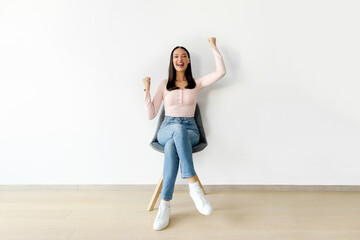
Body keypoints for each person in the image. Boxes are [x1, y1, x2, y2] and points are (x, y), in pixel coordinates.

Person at [142, 37, 226, 230]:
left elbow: (221, 72)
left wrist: (213, 46)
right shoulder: (164, 84)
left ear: (188, 61)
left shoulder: (195, 83)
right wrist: (146, 88)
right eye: (176, 56)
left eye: (183, 56)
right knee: (174, 132)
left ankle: (165, 205)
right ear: (172, 61)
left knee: (173, 144)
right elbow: (151, 114)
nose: (179, 59)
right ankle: (193, 185)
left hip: (191, 130)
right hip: (166, 128)